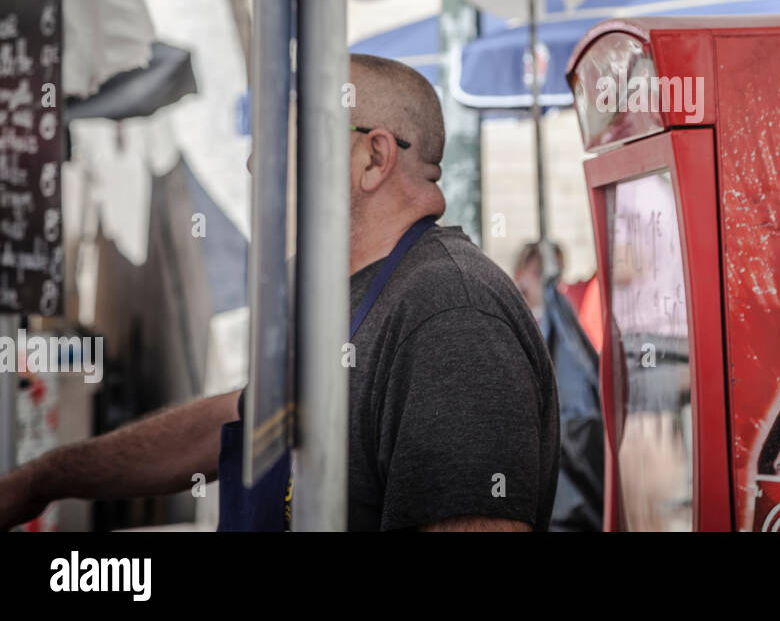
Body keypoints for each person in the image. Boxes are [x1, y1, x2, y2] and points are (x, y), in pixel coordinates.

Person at [0, 53, 559, 531]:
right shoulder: (341, 301)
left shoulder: (449, 315)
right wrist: (44, 479)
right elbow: (223, 423)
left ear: (374, 158)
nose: (253, 163)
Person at [513, 242, 604, 531]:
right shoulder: (516, 321)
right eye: (539, 273)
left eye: (555, 274)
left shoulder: (565, 319)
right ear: (520, 275)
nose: (548, 283)